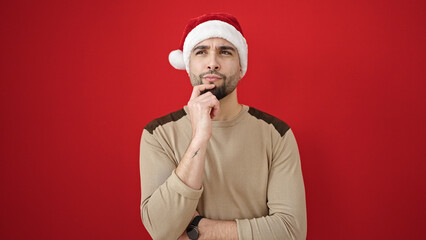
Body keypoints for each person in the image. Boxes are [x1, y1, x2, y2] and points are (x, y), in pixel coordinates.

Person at [139, 13, 307, 240]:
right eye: (201, 51)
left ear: (241, 67)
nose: (212, 62)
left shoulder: (276, 133)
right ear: (188, 66)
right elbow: (160, 229)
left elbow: (291, 232)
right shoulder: (158, 133)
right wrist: (199, 137)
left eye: (225, 51)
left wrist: (198, 229)